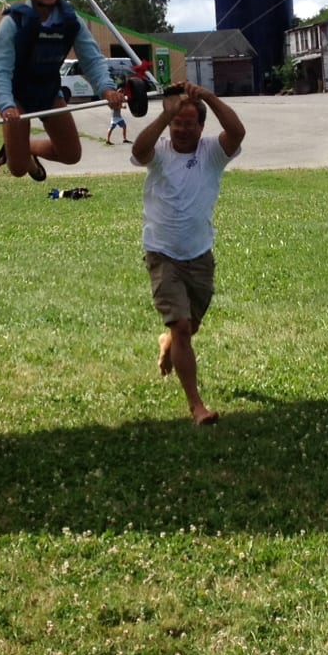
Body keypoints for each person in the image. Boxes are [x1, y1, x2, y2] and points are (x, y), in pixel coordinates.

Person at [130, 82, 246, 426]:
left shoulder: (212, 152)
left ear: (201, 126)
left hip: (199, 253)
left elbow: (237, 131)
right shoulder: (160, 150)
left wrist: (208, 95)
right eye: (176, 123)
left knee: (188, 327)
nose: (182, 129)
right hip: (162, 252)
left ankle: (168, 343)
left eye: (189, 123)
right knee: (182, 326)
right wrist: (164, 114)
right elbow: (138, 150)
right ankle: (197, 406)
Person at [0, 0, 126, 182]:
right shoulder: (12, 23)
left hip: (48, 91)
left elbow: (91, 59)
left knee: (71, 154)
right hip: (17, 96)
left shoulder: (71, 22)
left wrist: (107, 89)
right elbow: (0, 69)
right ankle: (18, 154)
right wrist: (6, 105)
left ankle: (26, 147)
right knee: (18, 168)